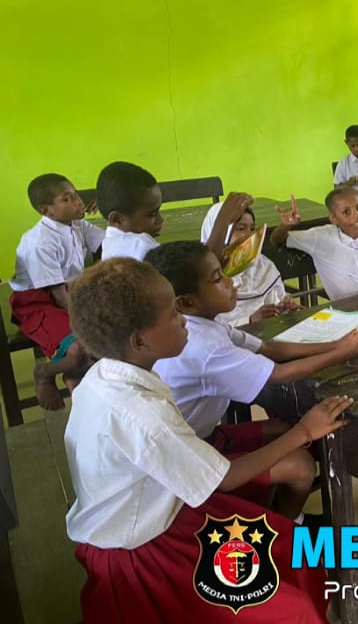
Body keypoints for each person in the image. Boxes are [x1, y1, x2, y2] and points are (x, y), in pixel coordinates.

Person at [64, 257, 341, 622]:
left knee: (289, 550)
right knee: (294, 609)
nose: (184, 322)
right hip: (143, 548)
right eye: (173, 316)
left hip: (156, 510)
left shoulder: (104, 374)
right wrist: (305, 430)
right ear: (140, 341)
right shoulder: (142, 415)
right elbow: (224, 477)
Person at [146, 240, 358, 440]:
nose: (231, 282)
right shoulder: (204, 346)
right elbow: (280, 374)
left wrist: (340, 344)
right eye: (217, 278)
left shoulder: (204, 323)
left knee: (287, 428)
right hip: (191, 447)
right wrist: (348, 351)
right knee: (300, 467)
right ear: (186, 302)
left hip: (197, 434)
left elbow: (267, 348)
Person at [9, 174, 102, 409]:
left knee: (110, 336)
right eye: (67, 199)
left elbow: (107, 242)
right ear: (47, 210)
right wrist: (86, 324)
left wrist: (107, 206)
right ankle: (44, 373)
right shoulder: (40, 243)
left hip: (70, 292)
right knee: (82, 347)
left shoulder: (76, 224)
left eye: (76, 195)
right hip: (37, 302)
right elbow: (58, 295)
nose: (78, 202)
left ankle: (80, 384)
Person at [97, 160, 250, 260]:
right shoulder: (139, 247)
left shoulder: (111, 243)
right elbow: (201, 272)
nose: (160, 219)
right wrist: (223, 220)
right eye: (152, 214)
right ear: (117, 219)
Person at [270, 188, 358, 301]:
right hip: (344, 310)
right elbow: (277, 240)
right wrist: (286, 226)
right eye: (346, 212)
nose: (357, 215)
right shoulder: (321, 238)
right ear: (334, 219)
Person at [200, 202, 298, 325]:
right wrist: (250, 321)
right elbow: (205, 329)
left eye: (252, 228)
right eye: (241, 228)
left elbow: (276, 303)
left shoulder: (263, 265)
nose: (250, 235)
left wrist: (284, 308)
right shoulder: (203, 278)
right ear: (219, 232)